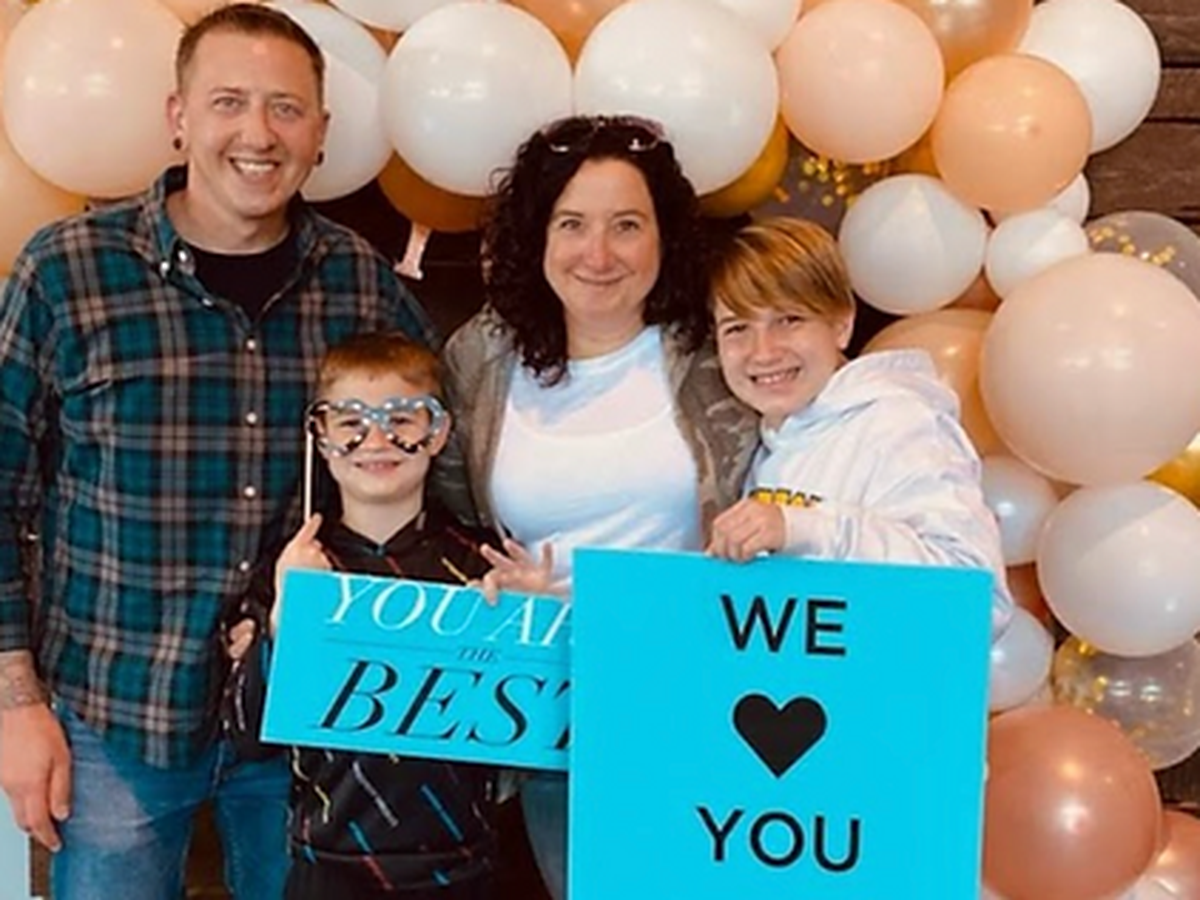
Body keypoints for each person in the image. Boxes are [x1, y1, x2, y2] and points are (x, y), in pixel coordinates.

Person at [0, 5, 434, 899]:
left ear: (321, 132)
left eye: (286, 108)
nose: (258, 133)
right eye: (228, 101)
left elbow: (427, 473)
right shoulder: (66, 272)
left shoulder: (360, 283)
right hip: (115, 714)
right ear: (179, 116)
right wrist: (16, 703)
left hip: (303, 719)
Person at [437, 114, 759, 900]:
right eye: (572, 224)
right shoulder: (482, 358)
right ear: (537, 237)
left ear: (665, 237)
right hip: (559, 716)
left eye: (627, 225)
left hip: (703, 696)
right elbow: (448, 521)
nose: (599, 253)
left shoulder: (722, 352)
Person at [223, 332, 515, 900]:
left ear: (438, 432)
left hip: (462, 867)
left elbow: (539, 725)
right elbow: (246, 735)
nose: (376, 440)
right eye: (351, 421)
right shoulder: (293, 567)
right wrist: (286, 618)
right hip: (327, 866)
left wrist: (533, 620)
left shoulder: (483, 566)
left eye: (402, 419)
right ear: (321, 437)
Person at [706, 216, 1013, 634]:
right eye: (737, 328)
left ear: (841, 325)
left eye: (789, 320)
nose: (763, 352)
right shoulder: (769, 442)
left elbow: (977, 604)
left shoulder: (899, 424)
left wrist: (804, 529)